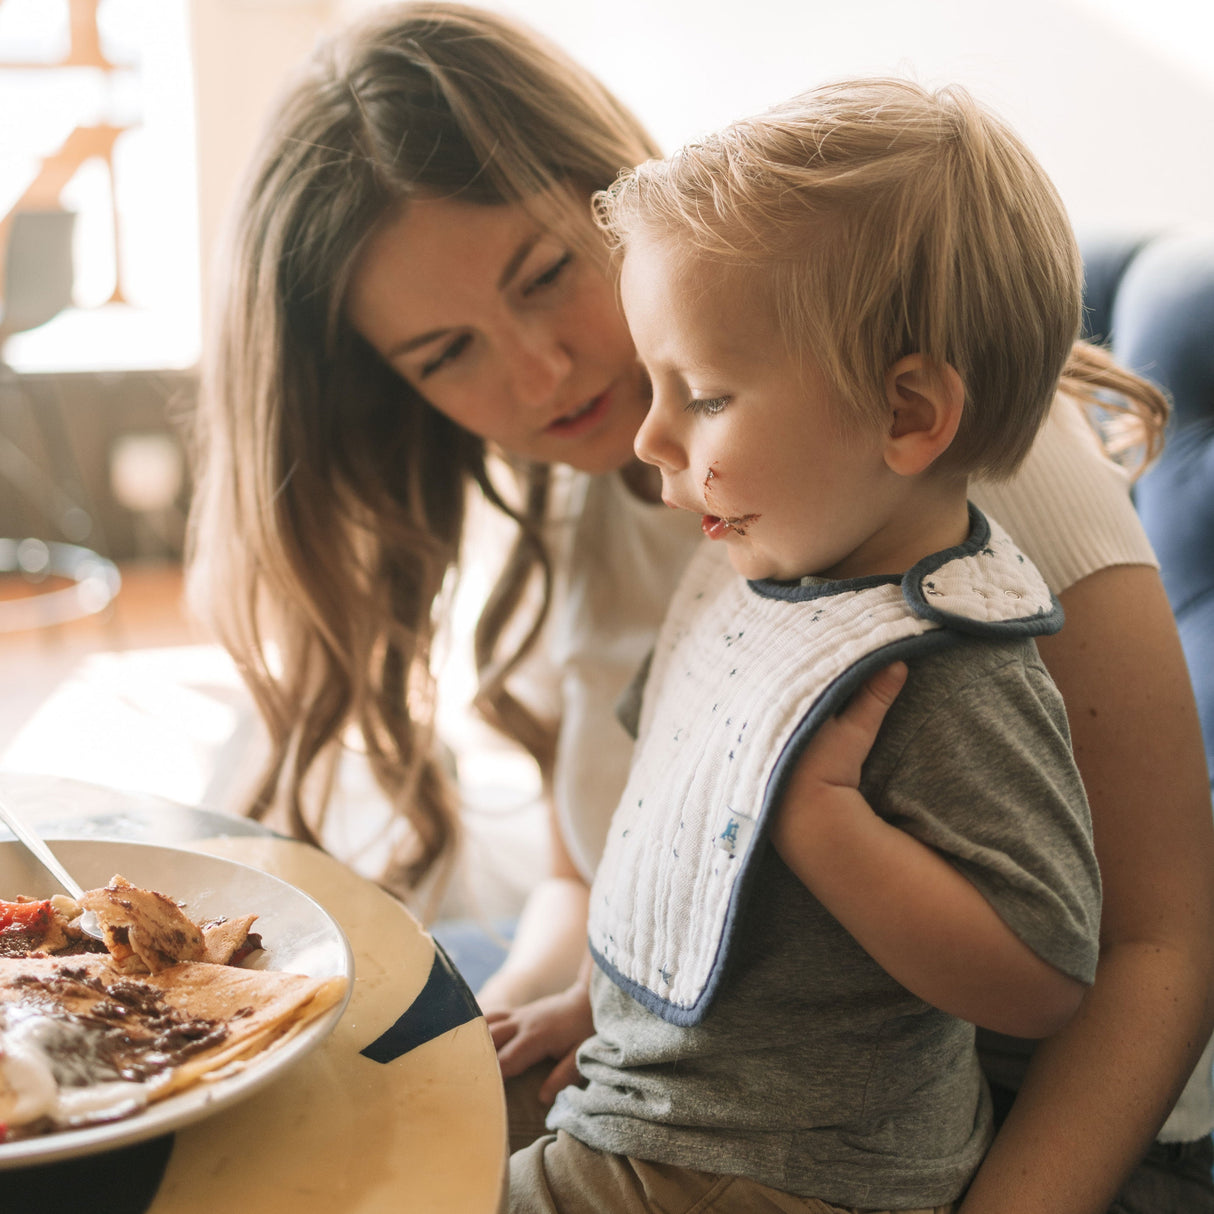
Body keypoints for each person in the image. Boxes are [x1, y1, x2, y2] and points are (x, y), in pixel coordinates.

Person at [184, 4, 1214, 1211]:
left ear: (609, 196)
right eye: (444, 353)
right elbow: (591, 867)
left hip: (1030, 1143)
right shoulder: (611, 492)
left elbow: (1158, 949)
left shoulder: (938, 467)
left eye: (547, 275)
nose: (541, 374)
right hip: (680, 1095)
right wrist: (515, 1034)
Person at [505, 76, 1108, 1212]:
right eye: (653, 384)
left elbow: (1041, 978)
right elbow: (686, 860)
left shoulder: (937, 663)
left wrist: (826, 824)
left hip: (776, 1174)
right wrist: (590, 1000)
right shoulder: (760, 586)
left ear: (905, 414)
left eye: (704, 394)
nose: (647, 434)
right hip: (654, 1112)